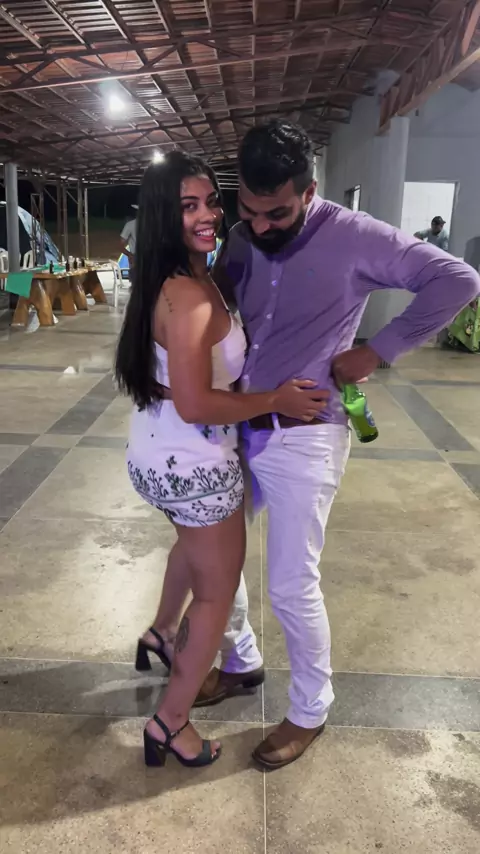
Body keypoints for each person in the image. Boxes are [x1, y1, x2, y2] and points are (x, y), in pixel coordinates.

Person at [147, 122, 480, 771]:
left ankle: (310, 708)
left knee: (291, 582)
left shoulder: (358, 236)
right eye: (248, 210)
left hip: (309, 429)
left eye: (277, 213)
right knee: (212, 561)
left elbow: (457, 279)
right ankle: (240, 661)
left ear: (310, 190)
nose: (260, 226)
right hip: (238, 424)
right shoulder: (240, 239)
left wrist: (377, 351)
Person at [115, 150, 329, 770]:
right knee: (215, 596)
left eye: (211, 200)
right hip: (194, 465)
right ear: (164, 215)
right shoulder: (187, 295)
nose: (208, 215)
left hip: (159, 453)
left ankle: (161, 632)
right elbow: (196, 403)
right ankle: (171, 723)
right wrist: (275, 401)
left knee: (192, 552)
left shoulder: (178, 275)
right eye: (189, 206)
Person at [120, 205, 138, 269]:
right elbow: (121, 245)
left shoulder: (130, 225)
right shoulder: (153, 224)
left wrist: (129, 255)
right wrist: (130, 255)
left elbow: (120, 245)